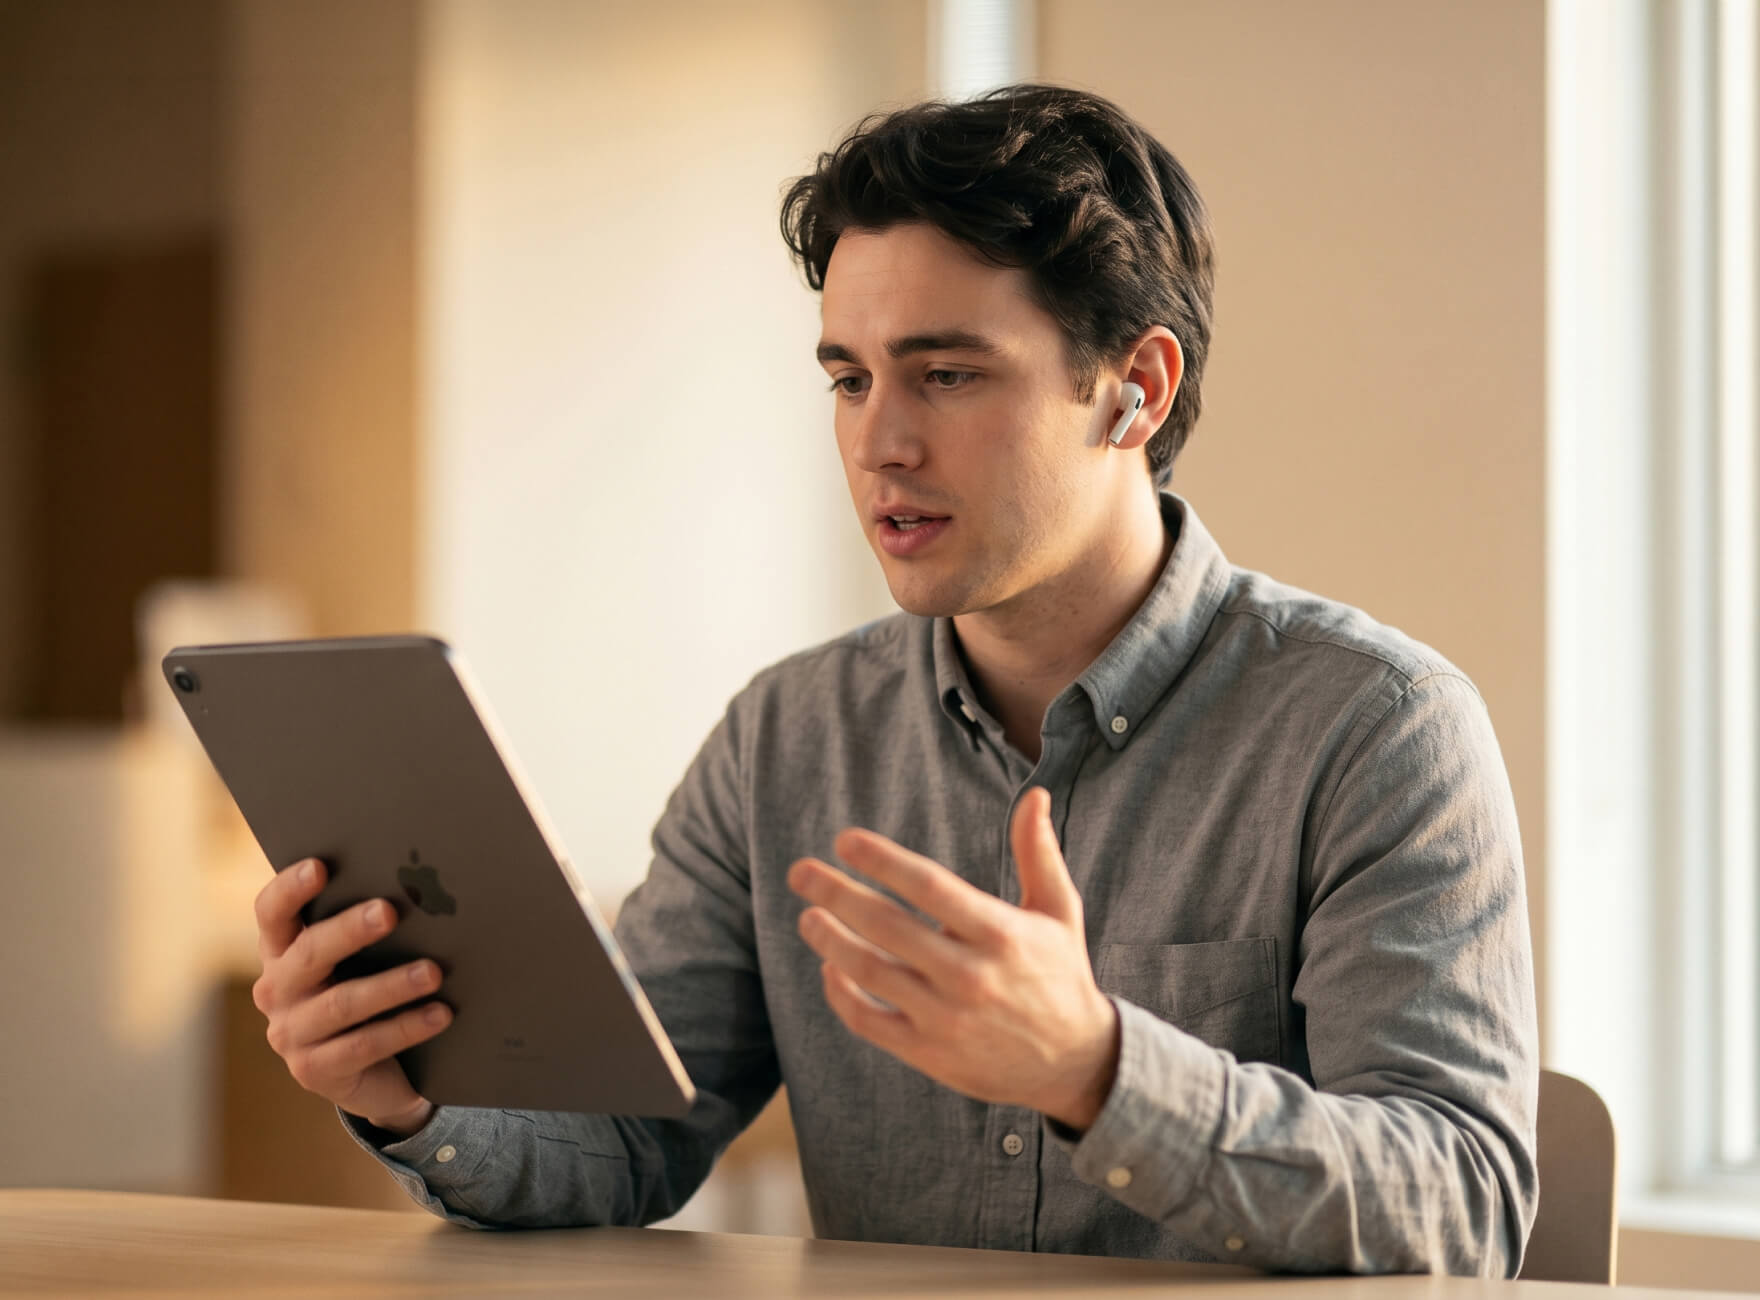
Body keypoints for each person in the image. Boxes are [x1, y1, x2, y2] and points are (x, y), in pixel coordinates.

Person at [249, 83, 1539, 1274]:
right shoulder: (783, 740)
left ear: (1134, 390)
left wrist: (1097, 1069)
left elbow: (1464, 1202)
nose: (879, 442)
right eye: (850, 380)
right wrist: (409, 1092)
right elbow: (628, 1141)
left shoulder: (1376, 729)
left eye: (947, 374)